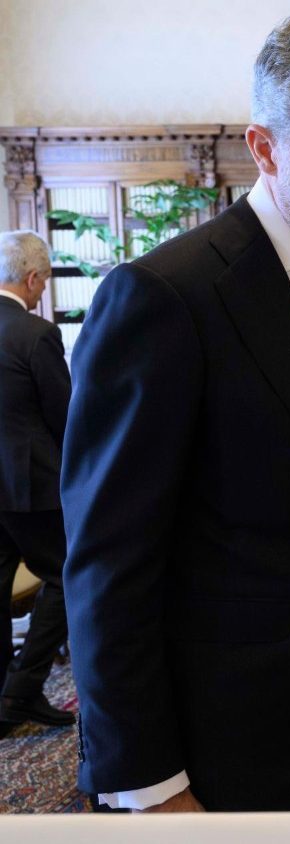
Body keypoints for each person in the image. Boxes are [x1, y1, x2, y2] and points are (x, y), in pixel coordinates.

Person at [61, 15, 290, 812]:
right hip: (216, 745)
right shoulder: (166, 299)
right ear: (264, 148)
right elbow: (110, 567)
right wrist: (148, 784)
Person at [0, 231, 74, 735]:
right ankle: (20, 692)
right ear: (31, 279)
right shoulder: (35, 334)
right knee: (70, 578)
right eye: (44, 281)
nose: (43, 290)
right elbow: (65, 416)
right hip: (32, 488)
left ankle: (4, 693)